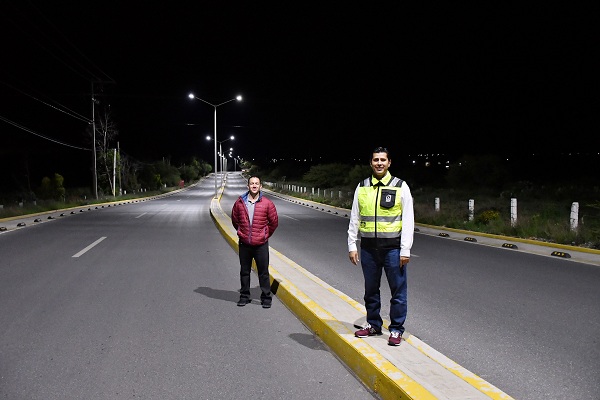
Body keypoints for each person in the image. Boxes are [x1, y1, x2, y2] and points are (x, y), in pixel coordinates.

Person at [347, 147, 415, 346]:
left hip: (393, 249)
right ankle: (374, 324)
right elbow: (355, 218)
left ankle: (396, 329)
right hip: (368, 248)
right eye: (375, 160)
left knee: (398, 292)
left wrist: (405, 249)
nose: (379, 163)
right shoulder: (362, 186)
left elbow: (408, 220)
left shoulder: (400, 186)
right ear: (370, 163)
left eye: (382, 160)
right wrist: (352, 244)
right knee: (370, 290)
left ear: (389, 163)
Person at [231, 176, 279, 308]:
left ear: (260, 186)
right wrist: (242, 231)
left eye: (256, 184)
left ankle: (266, 297)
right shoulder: (240, 203)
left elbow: (274, 222)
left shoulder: (267, 203)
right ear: (248, 186)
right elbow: (235, 220)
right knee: (244, 271)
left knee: (263, 272)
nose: (254, 186)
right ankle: (244, 296)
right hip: (245, 243)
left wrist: (265, 234)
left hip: (261, 245)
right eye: (251, 183)